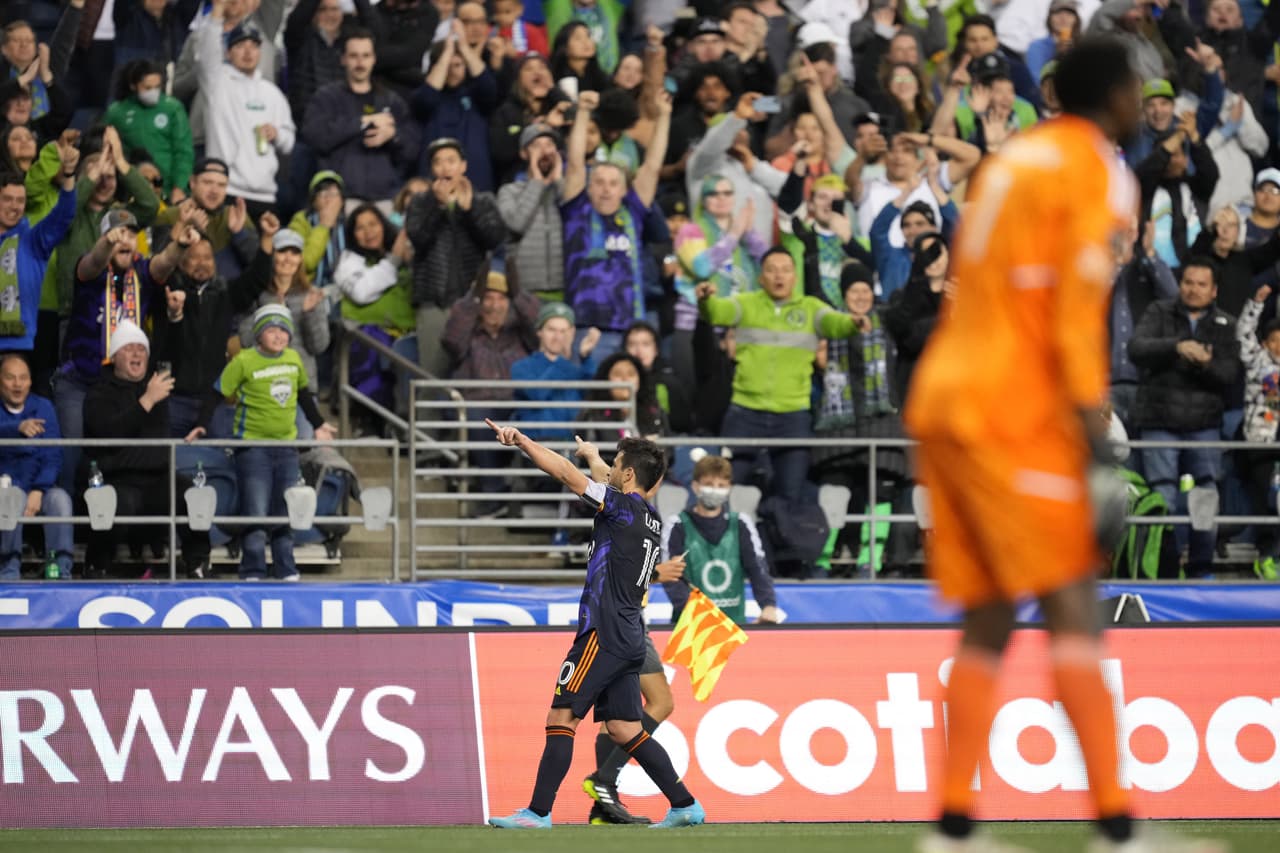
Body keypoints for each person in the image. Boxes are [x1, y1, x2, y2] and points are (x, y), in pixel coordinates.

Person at [904, 37, 1225, 853]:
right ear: (1114, 97)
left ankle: (953, 828)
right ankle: (1120, 828)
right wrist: (1093, 440)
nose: (1141, 102)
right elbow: (1071, 312)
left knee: (987, 616)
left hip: (946, 397)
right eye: (1136, 90)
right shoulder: (1095, 169)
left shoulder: (1012, 159)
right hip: (1013, 409)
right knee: (1074, 602)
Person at [484, 420, 706, 830]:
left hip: (602, 633)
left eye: (616, 465)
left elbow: (566, 474)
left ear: (628, 475)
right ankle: (685, 805)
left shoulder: (618, 507)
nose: (610, 470)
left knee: (561, 718)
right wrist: (594, 456)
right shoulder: (650, 517)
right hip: (631, 636)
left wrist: (524, 441)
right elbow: (609, 478)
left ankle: (537, 813)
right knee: (624, 728)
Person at [696, 247, 863, 504]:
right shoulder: (744, 304)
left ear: (795, 277)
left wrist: (853, 323)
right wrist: (706, 300)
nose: (779, 276)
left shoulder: (811, 308)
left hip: (792, 416)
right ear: (760, 277)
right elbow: (716, 312)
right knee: (726, 491)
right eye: (772, 270)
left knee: (790, 494)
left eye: (785, 270)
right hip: (745, 412)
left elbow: (835, 323)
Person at [1128, 258, 1242, 579]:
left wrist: (1205, 363)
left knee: (1205, 496)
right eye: (1188, 282)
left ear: (1214, 290)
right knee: (1162, 496)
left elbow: (1229, 374)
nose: (1193, 289)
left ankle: (1200, 568)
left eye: (1201, 284)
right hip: (1159, 421)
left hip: (1204, 426)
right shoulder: (1159, 311)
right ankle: (1163, 569)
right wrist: (1178, 347)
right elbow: (1136, 348)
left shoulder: (1226, 324)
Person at [207, 304, 337, 580]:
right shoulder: (243, 360)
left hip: (287, 449)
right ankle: (252, 569)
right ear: (258, 334)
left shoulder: (293, 358)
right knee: (255, 511)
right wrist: (200, 424)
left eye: (283, 330)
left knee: (284, 509)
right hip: (253, 450)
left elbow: (303, 395)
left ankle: (285, 567)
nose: (279, 336)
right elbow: (217, 393)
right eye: (272, 330)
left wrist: (318, 424)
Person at [81, 318, 209, 580]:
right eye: (129, 348)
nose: (137, 353)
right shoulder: (99, 393)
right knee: (111, 502)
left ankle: (198, 564)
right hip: (118, 479)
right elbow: (107, 431)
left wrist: (176, 317)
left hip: (158, 479)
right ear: (114, 357)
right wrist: (147, 401)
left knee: (193, 495)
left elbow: (175, 349)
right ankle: (96, 566)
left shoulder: (156, 385)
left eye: (141, 349)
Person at [561, 89, 671, 360]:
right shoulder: (577, 209)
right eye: (599, 182)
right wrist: (583, 112)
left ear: (624, 190)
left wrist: (664, 117)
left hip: (630, 330)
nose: (606, 189)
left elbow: (652, 166)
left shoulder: (633, 211)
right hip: (585, 327)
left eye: (613, 183)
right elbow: (575, 163)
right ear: (589, 187)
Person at [405, 137, 506, 378]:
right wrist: (439, 207)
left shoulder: (483, 201)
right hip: (433, 302)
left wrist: (470, 211)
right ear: (432, 169)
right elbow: (418, 238)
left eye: (451, 161)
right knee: (431, 377)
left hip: (472, 301)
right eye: (438, 162)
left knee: (475, 375)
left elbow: (494, 238)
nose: (445, 168)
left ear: (463, 166)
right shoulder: (420, 202)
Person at [302, 29, 419, 214]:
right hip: (341, 200)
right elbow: (315, 137)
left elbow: (412, 149)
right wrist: (362, 122)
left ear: (374, 59)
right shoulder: (326, 97)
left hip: (386, 200)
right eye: (354, 56)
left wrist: (393, 135)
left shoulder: (392, 101)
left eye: (366, 56)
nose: (360, 62)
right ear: (343, 59)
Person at [195, 5, 296, 215]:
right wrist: (217, 13)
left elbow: (289, 142)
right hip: (227, 190)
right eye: (240, 45)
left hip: (265, 194)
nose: (248, 52)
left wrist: (277, 134)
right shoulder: (217, 82)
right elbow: (206, 53)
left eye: (254, 46)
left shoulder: (272, 93)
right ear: (228, 52)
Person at [661, 452, 777, 625]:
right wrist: (697, 614)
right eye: (709, 484)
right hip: (690, 628)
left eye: (721, 485)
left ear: (729, 488)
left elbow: (757, 568)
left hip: (734, 627)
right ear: (695, 486)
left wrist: (768, 605)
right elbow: (671, 577)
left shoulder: (741, 524)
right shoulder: (677, 525)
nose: (715, 490)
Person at [0, 134, 77, 355]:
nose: (15, 207)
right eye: (7, 199)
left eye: (20, 201)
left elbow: (63, 215)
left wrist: (69, 175)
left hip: (20, 346)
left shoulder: (33, 241)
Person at [0, 353, 73, 579]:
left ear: (30, 381)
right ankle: (9, 570)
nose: (17, 384)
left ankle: (60, 571)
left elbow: (53, 455)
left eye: (23, 378)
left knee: (60, 500)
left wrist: (39, 489)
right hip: (6, 486)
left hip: (39, 485)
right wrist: (16, 429)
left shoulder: (43, 407)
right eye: (10, 378)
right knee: (11, 498)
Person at [102, 60, 194, 205]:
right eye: (147, 87)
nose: (153, 92)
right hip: (130, 189)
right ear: (133, 85)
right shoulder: (117, 112)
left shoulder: (172, 108)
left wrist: (179, 187)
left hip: (168, 190)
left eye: (157, 87)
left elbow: (183, 151)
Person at [1237, 283, 1280, 580]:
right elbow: (1243, 334)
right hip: (1260, 442)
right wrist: (1256, 304)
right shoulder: (1257, 362)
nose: (1278, 346)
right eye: (1274, 340)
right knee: (1266, 501)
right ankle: (1264, 557)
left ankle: (1274, 555)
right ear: (1265, 343)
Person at [496, 123, 566, 299]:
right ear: (524, 153)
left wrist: (559, 181)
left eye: (549, 144)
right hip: (525, 290)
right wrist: (536, 183)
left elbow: (576, 218)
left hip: (565, 287)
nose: (544, 151)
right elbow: (516, 224)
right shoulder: (509, 191)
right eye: (536, 146)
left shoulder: (565, 190)